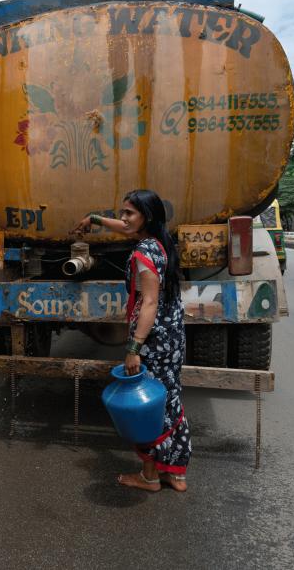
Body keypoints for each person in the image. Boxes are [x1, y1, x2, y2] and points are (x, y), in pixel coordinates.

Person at [74, 190, 191, 492]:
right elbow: (125, 228)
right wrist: (95, 219)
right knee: (169, 397)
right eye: (122, 213)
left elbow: (149, 302)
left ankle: (150, 476)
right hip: (173, 335)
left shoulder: (142, 254)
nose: (124, 219)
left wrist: (134, 348)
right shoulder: (161, 242)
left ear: (146, 218)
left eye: (129, 213)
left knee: (147, 405)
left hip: (153, 338)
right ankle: (175, 473)